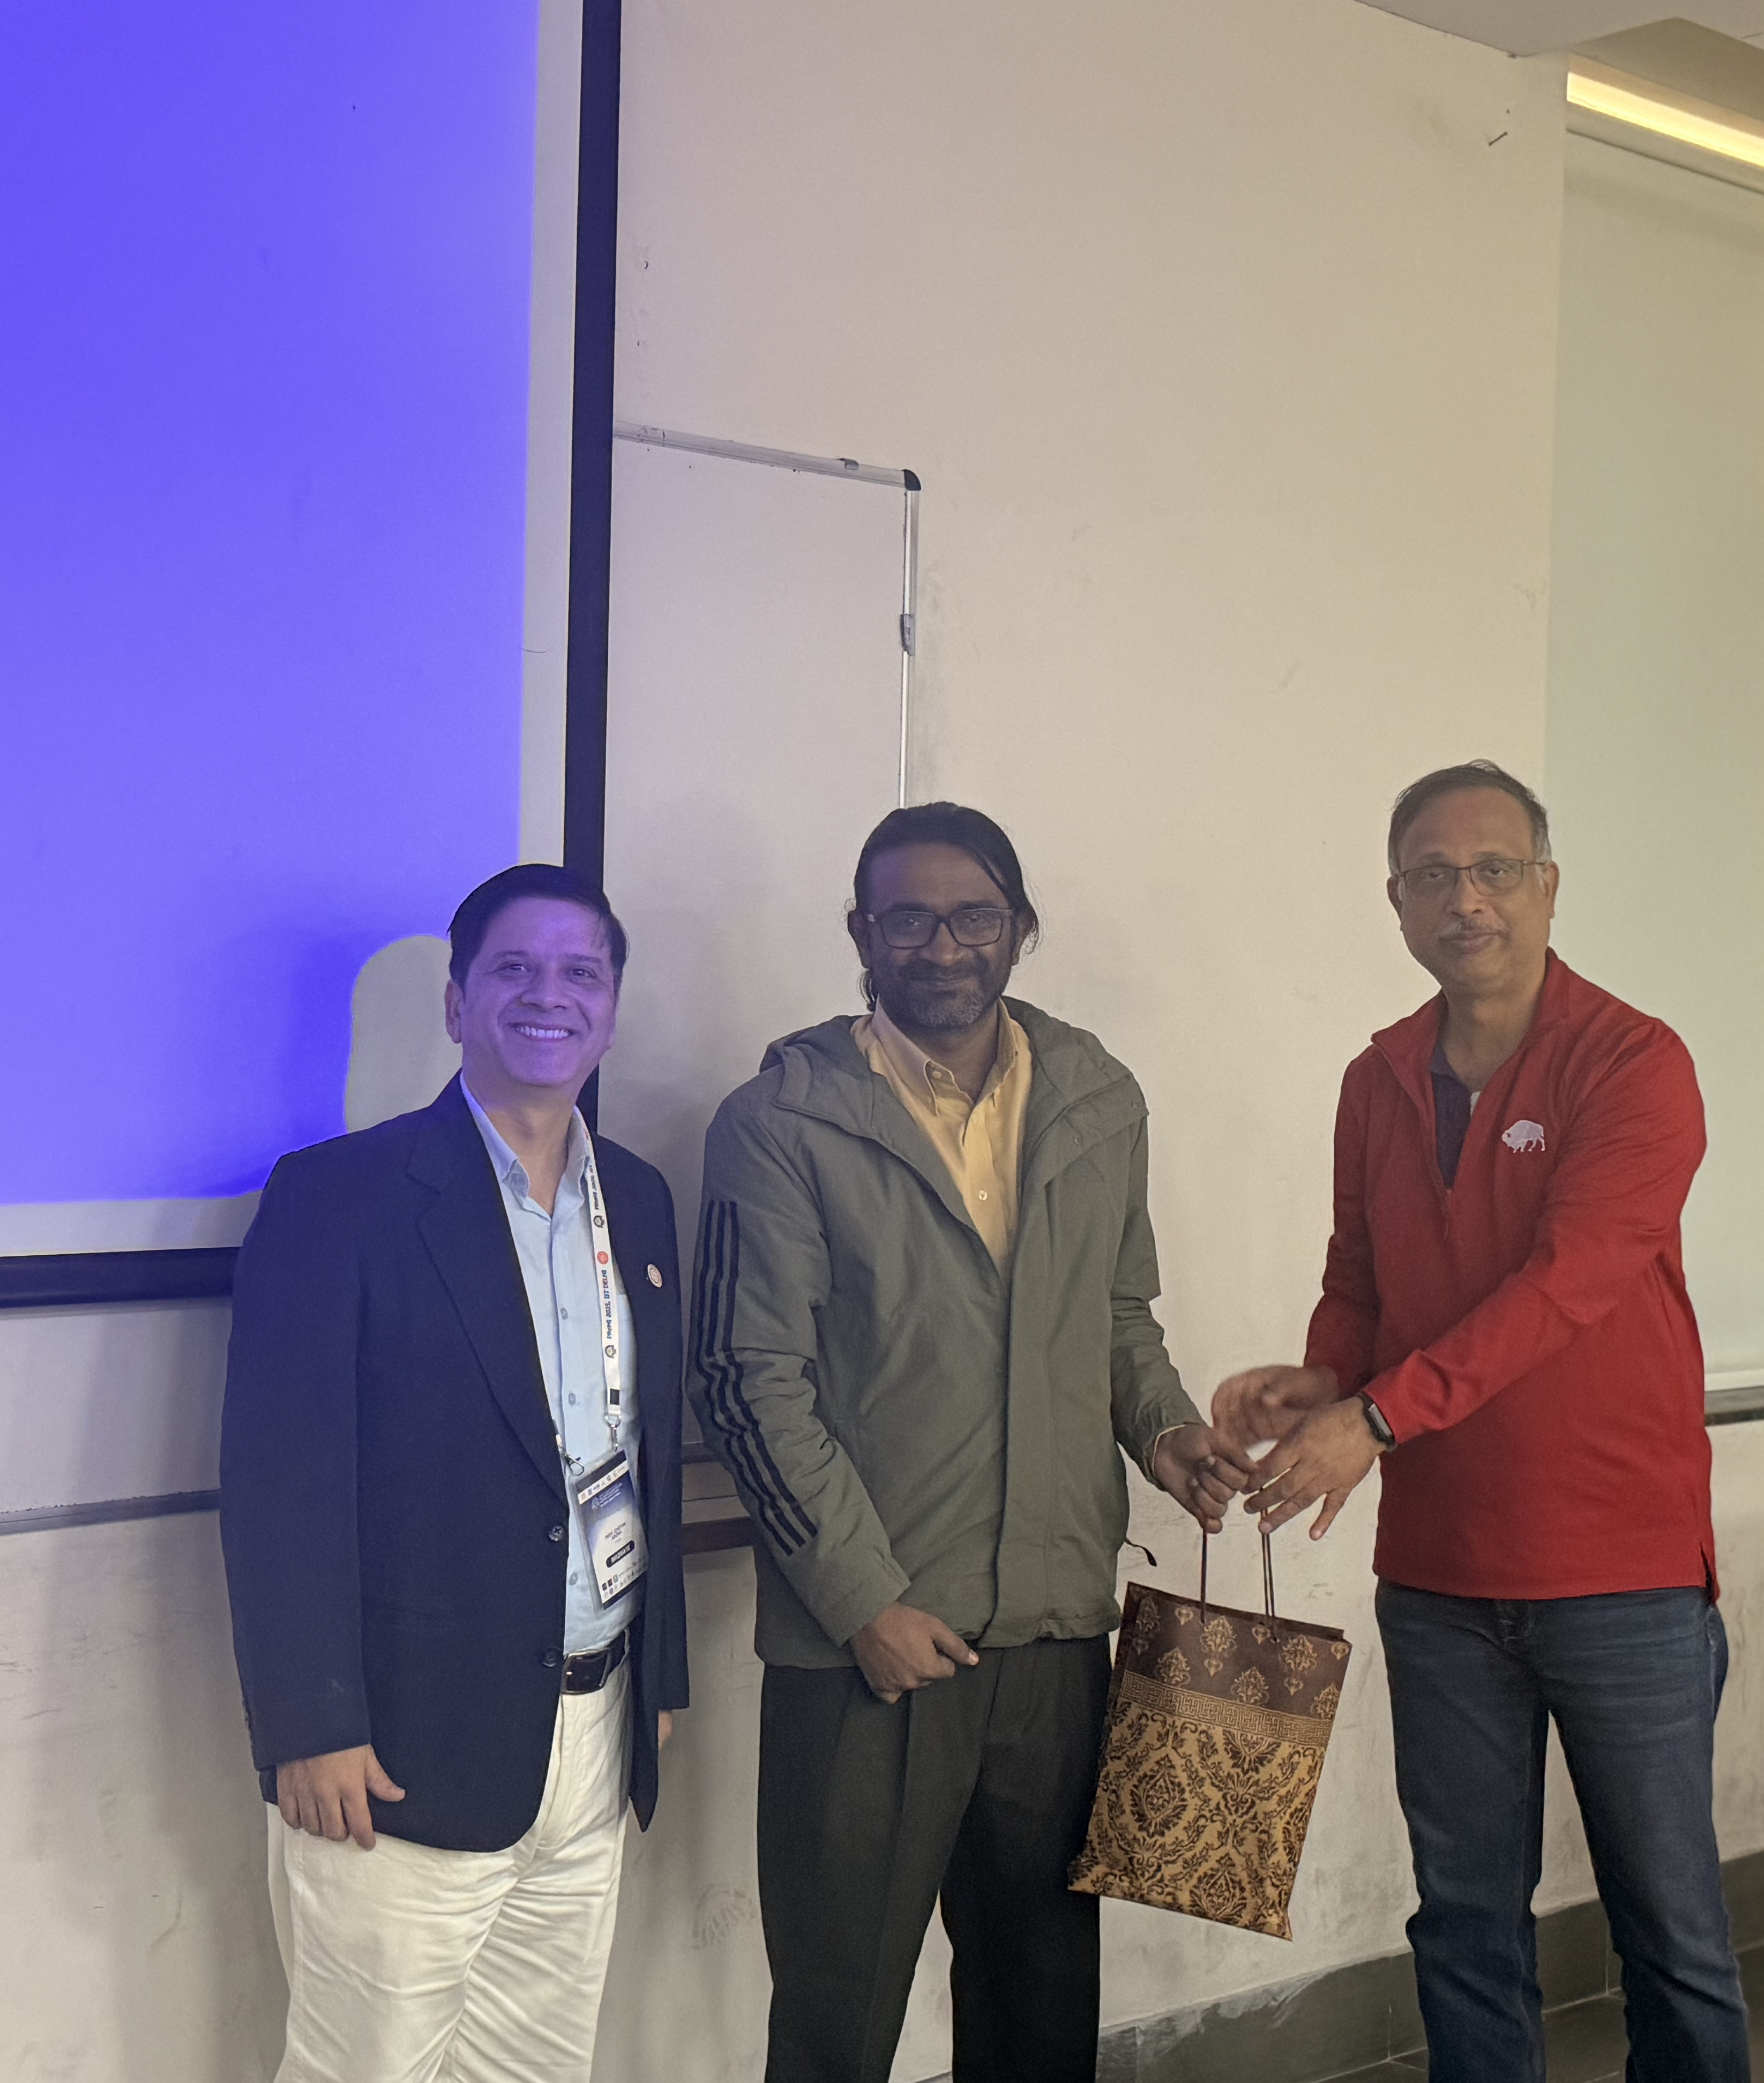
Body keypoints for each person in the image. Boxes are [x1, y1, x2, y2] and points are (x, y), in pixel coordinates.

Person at [692, 802, 1249, 2083]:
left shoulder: (1098, 1096)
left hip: (1055, 1632)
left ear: (1019, 928)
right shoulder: (780, 1121)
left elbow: (1118, 1314)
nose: (942, 947)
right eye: (909, 920)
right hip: (875, 1648)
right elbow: (746, 1382)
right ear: (861, 935)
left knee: (1040, 2008)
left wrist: (1164, 1429)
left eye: (972, 918)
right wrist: (862, 1603)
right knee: (838, 2020)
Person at [1214, 761, 1751, 2083]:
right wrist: (1324, 1383)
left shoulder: (1635, 1062)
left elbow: (1568, 1285)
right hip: (1442, 1578)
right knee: (1463, 1926)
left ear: (1548, 888)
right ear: (1397, 901)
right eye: (1434, 876)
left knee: (1672, 1934)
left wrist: (1377, 1416)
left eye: (1495, 871)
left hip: (1622, 1571)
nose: (1468, 901)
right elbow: (1362, 1279)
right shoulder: (1379, 1076)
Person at [218, 863, 689, 2083]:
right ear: (456, 1002)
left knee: (538, 2067)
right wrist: (312, 1725)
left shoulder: (637, 1202)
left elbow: (645, 1455)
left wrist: (656, 1679)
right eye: (513, 970)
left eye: (580, 973)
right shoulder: (339, 1199)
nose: (549, 996)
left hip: (591, 1731)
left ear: (612, 1008)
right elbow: (280, 1488)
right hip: (398, 1750)